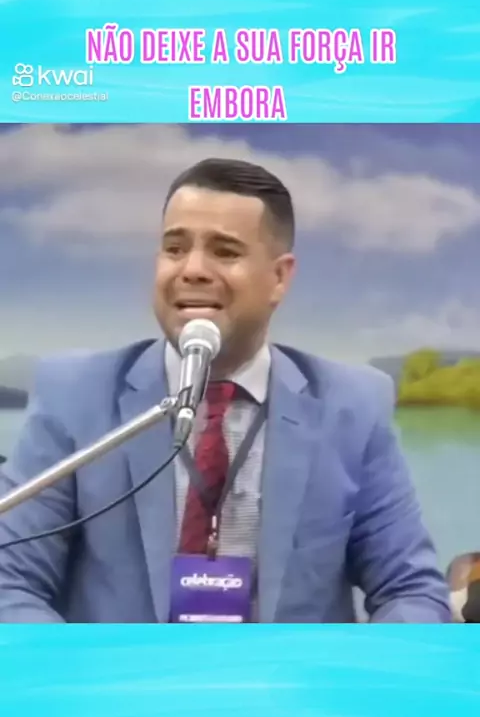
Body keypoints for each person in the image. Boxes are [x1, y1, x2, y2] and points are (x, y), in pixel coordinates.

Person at [0, 157, 451, 623]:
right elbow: (9, 582)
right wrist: (83, 670)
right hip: (118, 670)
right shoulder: (74, 395)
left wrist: (354, 670)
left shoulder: (352, 407)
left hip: (287, 672)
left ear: (279, 277)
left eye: (225, 251)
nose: (192, 269)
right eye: (175, 248)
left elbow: (410, 591)